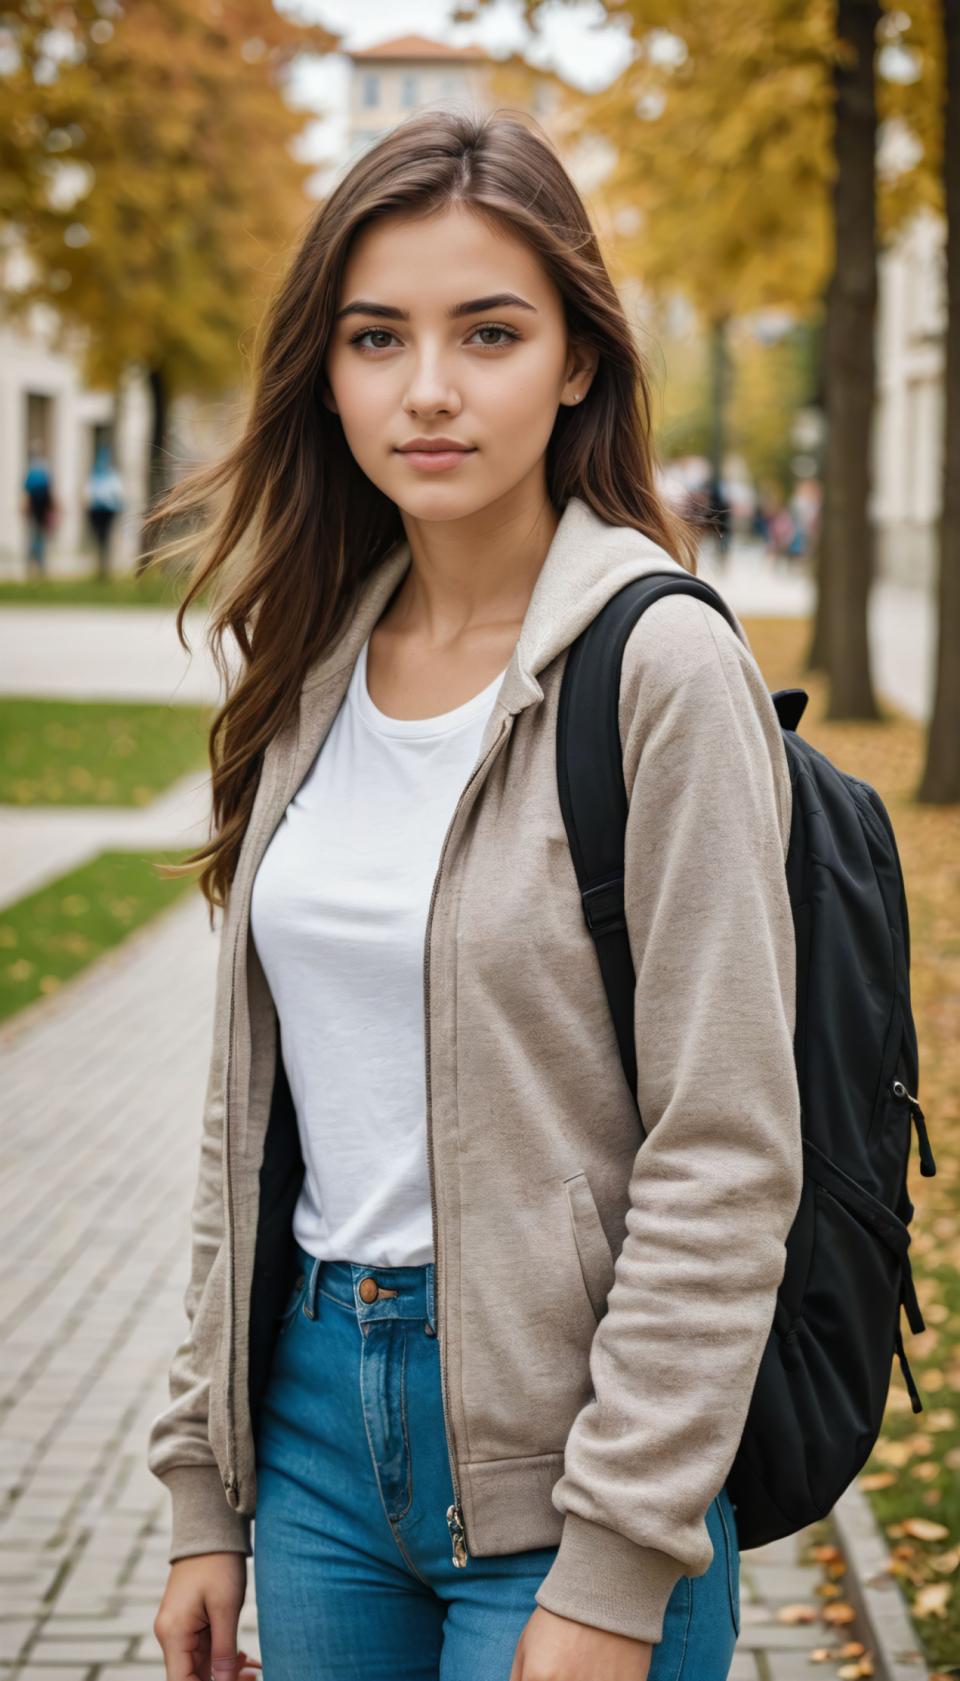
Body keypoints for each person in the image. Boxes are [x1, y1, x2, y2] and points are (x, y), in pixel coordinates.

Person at [144, 107, 802, 1681]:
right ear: (329, 368)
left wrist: (622, 1554)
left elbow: (724, 1152)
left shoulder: (662, 666)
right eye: (378, 337)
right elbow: (247, 1116)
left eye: (488, 332)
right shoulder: (303, 667)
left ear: (577, 360)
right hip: (306, 1433)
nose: (427, 388)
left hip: (572, 1447)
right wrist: (199, 1486)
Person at [84, 442, 124, 578]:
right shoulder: (108, 475)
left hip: (102, 511)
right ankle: (102, 566)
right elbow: (118, 494)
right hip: (102, 511)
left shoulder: (99, 474)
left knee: (103, 539)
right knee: (102, 539)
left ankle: (104, 566)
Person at [22, 445, 56, 575]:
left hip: (39, 507)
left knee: (36, 535)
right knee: (37, 535)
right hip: (38, 507)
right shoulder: (40, 470)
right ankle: (36, 563)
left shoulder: (35, 470)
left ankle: (35, 563)